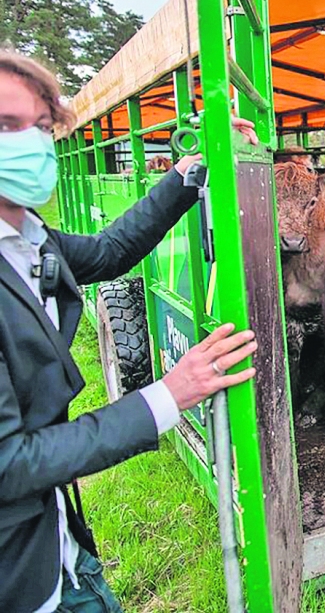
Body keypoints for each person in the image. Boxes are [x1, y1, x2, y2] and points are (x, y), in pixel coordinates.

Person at [0, 50, 260, 613]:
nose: (31, 143)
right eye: (6, 126)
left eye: (41, 128)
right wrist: (168, 394)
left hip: (57, 541)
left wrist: (188, 172)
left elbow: (111, 251)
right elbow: (8, 462)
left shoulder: (29, 239)